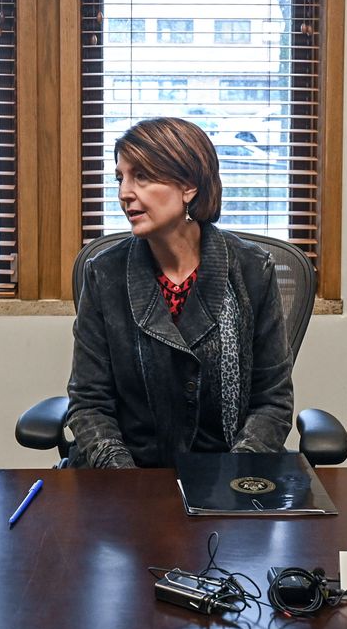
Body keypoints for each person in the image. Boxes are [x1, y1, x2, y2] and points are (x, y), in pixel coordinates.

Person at [66, 117, 293, 468]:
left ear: (188, 187)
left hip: (226, 477)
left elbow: (272, 402)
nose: (124, 192)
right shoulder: (105, 273)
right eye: (120, 177)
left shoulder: (250, 269)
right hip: (128, 479)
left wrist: (233, 481)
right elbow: (89, 403)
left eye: (141, 176)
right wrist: (124, 479)